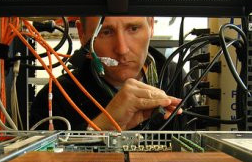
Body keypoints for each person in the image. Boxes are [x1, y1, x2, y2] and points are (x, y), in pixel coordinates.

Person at [30, 16, 184, 131]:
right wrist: (100, 127)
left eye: (133, 29)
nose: (122, 49)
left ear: (151, 25)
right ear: (82, 34)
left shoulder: (177, 77)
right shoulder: (54, 98)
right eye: (106, 32)